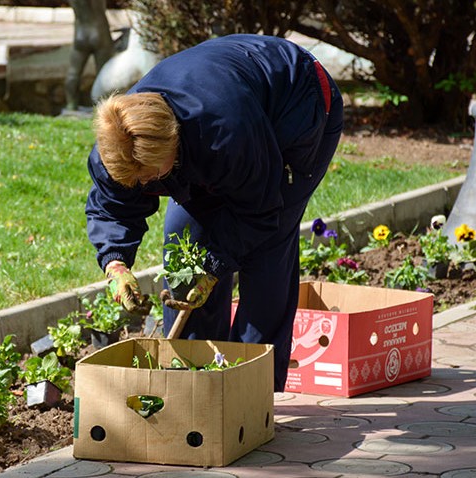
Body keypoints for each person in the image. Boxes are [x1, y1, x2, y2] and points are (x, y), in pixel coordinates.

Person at [84, 34, 343, 391]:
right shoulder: (119, 144)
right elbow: (112, 204)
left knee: (265, 252)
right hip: (224, 114)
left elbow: (260, 212)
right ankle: (192, 386)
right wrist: (115, 264)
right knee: (184, 246)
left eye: (151, 178)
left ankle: (253, 391)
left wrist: (215, 265)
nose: (144, 185)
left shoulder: (225, 132)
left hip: (298, 102)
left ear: (173, 142)